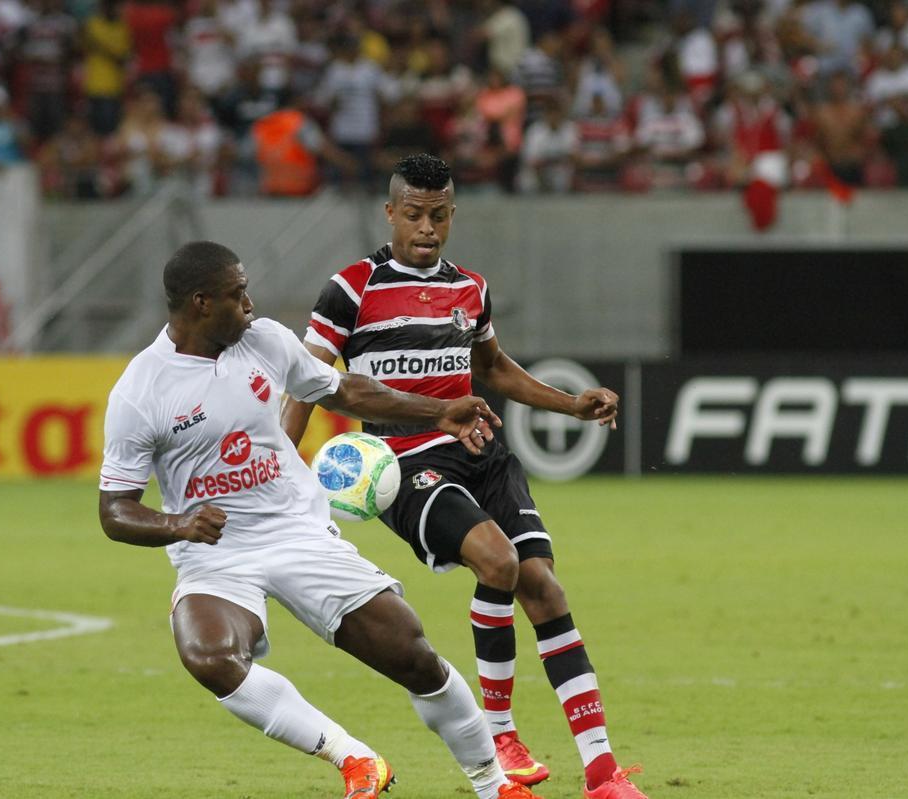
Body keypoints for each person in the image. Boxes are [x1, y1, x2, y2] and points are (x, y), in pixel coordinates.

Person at [98, 240, 541, 799]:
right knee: (209, 656)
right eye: (238, 295)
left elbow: (346, 390)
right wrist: (177, 525)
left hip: (295, 531)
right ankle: (353, 758)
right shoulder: (141, 391)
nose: (251, 303)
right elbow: (114, 511)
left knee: (412, 655)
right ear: (201, 303)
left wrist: (439, 411)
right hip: (215, 554)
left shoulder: (265, 342)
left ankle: (493, 783)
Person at [282, 154, 650, 799]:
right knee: (498, 561)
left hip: (483, 456)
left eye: (440, 215)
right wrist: (280, 468)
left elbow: (495, 369)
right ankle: (501, 737)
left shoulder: (469, 288)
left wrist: (572, 404)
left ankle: (602, 772)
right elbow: (311, 382)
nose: (428, 228)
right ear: (391, 212)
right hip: (404, 466)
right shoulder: (352, 288)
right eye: (416, 215)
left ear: (453, 214)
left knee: (545, 588)